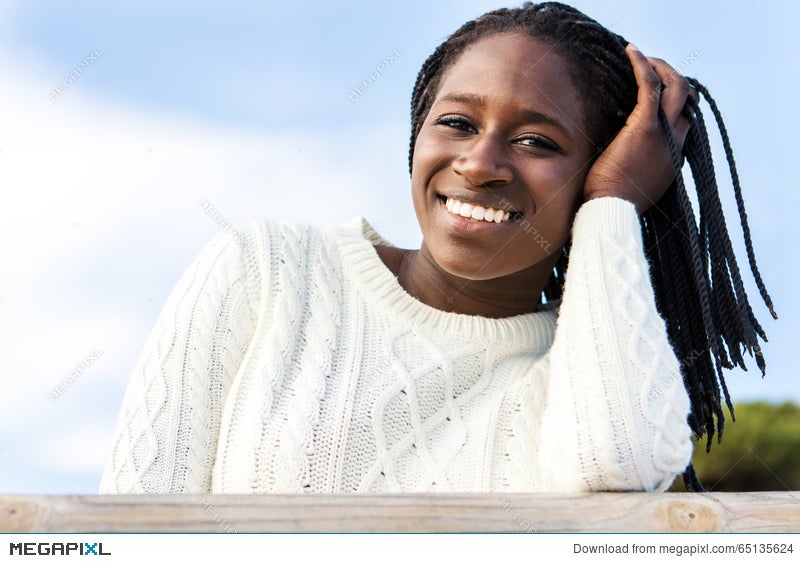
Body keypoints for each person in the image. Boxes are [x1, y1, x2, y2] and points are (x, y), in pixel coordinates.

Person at [99, 2, 774, 494]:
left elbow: (617, 463)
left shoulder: (584, 372)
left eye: (538, 141)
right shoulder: (266, 270)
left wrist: (610, 208)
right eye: (456, 123)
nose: (480, 163)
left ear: (600, 170)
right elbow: (131, 524)